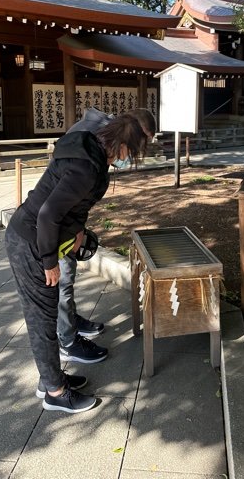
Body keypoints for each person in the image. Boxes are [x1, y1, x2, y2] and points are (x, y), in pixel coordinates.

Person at [5, 114, 148, 414]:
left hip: (34, 237)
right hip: (31, 243)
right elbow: (47, 215)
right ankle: (55, 393)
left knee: (44, 314)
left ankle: (51, 380)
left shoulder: (87, 147)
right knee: (42, 319)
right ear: (120, 146)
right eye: (130, 153)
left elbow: (69, 204)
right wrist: (48, 263)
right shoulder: (87, 166)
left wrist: (78, 229)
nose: (129, 159)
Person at [56, 108, 156, 366]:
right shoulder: (92, 142)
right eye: (139, 142)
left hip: (67, 216)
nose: (136, 150)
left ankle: (70, 321)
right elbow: (63, 198)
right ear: (131, 129)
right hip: (56, 220)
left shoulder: (104, 137)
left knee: (68, 277)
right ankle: (66, 341)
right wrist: (73, 230)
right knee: (62, 279)